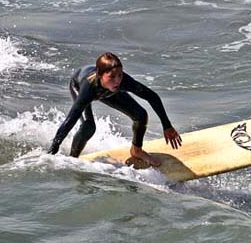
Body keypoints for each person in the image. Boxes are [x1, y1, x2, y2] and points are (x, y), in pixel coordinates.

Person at [48, 52, 182, 167]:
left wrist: (167, 125)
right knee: (88, 127)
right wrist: (53, 151)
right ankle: (73, 160)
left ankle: (136, 150)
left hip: (107, 91)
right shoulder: (88, 88)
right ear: (100, 75)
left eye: (120, 75)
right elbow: (70, 120)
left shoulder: (121, 82)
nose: (117, 81)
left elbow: (151, 96)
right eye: (112, 77)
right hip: (78, 85)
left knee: (140, 115)